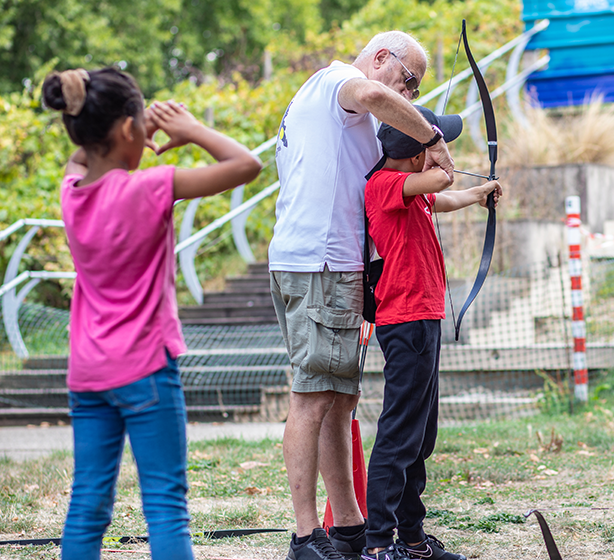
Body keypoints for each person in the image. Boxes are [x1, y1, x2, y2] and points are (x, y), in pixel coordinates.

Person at [42, 67, 261, 560]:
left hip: (88, 373)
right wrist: (189, 129)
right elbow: (246, 164)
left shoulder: (71, 193)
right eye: (139, 124)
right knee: (164, 502)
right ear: (126, 130)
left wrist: (123, 122)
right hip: (145, 369)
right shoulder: (151, 186)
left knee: (87, 503)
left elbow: (83, 153)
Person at [269, 31, 456, 560]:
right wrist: (430, 140)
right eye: (410, 81)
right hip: (320, 262)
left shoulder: (335, 103)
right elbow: (375, 96)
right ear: (381, 58)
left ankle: (347, 526)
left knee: (340, 398)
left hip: (330, 263)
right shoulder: (340, 83)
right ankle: (306, 536)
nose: (410, 96)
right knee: (313, 397)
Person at [362, 107, 500, 560]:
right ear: (416, 155)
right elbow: (439, 182)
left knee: (420, 436)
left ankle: (413, 539)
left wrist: (478, 193)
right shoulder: (384, 185)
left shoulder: (411, 190)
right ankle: (379, 543)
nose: (444, 154)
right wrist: (437, 151)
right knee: (400, 433)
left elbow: (442, 197)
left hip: (421, 320)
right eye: (433, 147)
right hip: (407, 321)